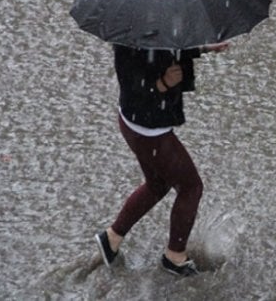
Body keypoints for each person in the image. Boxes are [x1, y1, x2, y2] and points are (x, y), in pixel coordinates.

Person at [94, 41, 229, 277]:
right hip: (149, 131)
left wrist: (203, 48)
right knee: (191, 187)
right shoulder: (131, 42)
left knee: (157, 184)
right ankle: (174, 256)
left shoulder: (150, 30)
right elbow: (135, 87)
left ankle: (112, 238)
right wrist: (163, 83)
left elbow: (167, 47)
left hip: (134, 123)